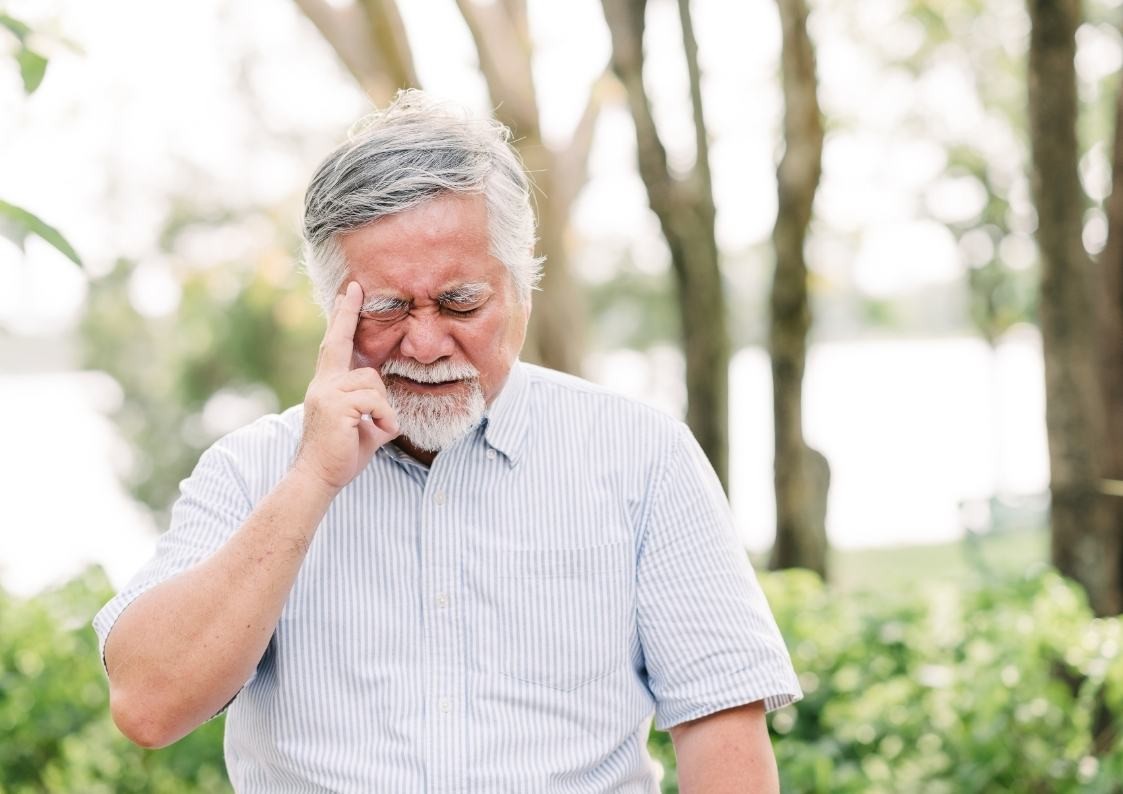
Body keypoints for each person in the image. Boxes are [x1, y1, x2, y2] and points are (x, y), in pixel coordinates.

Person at [94, 89, 802, 793]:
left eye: (461, 302)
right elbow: (149, 707)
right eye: (385, 308)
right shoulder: (252, 470)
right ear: (331, 306)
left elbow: (720, 730)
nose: (427, 343)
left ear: (522, 283)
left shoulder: (641, 455)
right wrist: (312, 478)